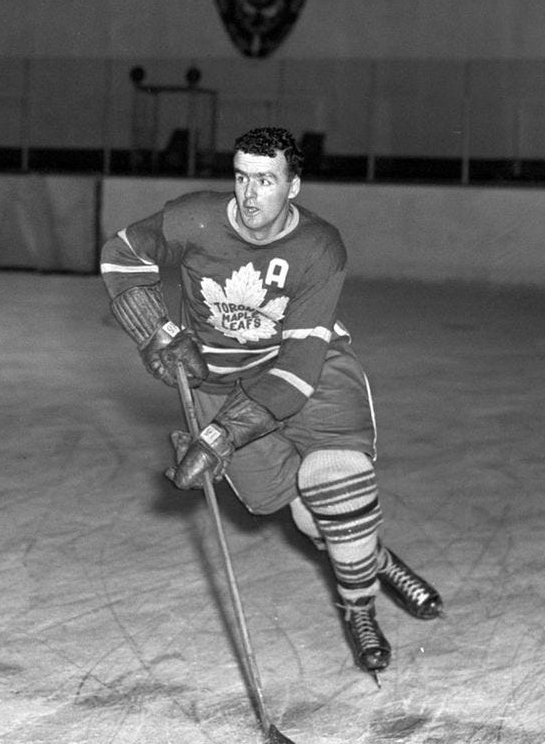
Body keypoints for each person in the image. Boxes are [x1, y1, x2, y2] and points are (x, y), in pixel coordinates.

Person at [99, 126, 443, 682]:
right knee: (297, 506)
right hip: (217, 382)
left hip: (307, 371)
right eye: (241, 178)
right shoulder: (194, 218)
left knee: (334, 476)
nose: (249, 194)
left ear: (293, 186)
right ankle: (376, 560)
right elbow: (122, 255)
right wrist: (158, 333)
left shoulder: (318, 246)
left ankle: (359, 611)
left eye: (265, 180)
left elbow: (295, 373)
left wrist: (218, 437)